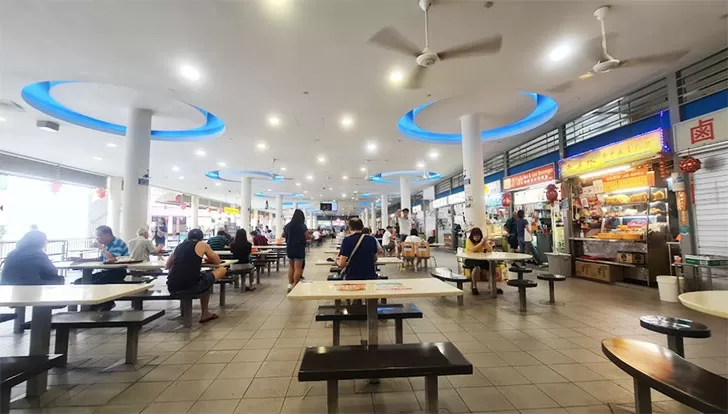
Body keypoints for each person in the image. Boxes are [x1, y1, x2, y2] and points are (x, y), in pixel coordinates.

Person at [165, 229, 227, 323]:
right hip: (191, 286)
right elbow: (217, 262)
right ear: (201, 238)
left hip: (172, 286)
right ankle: (205, 313)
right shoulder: (202, 244)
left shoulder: (179, 246)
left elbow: (167, 266)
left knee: (204, 277)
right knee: (222, 270)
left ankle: (205, 312)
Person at [463, 227, 495, 295]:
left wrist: (485, 242)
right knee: (476, 268)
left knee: (490, 268)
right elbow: (472, 250)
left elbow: (490, 250)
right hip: (470, 259)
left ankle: (492, 286)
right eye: (475, 236)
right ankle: (474, 287)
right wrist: (481, 243)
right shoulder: (469, 241)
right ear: (472, 236)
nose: (477, 237)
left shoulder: (482, 241)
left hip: (481, 259)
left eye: (478, 236)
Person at [283, 209, 309, 292]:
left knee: (291, 266)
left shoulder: (288, 225)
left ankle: (290, 284)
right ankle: (295, 285)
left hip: (290, 248)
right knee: (298, 268)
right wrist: (311, 237)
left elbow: (283, 235)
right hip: (299, 247)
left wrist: (290, 236)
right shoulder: (302, 225)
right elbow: (307, 236)